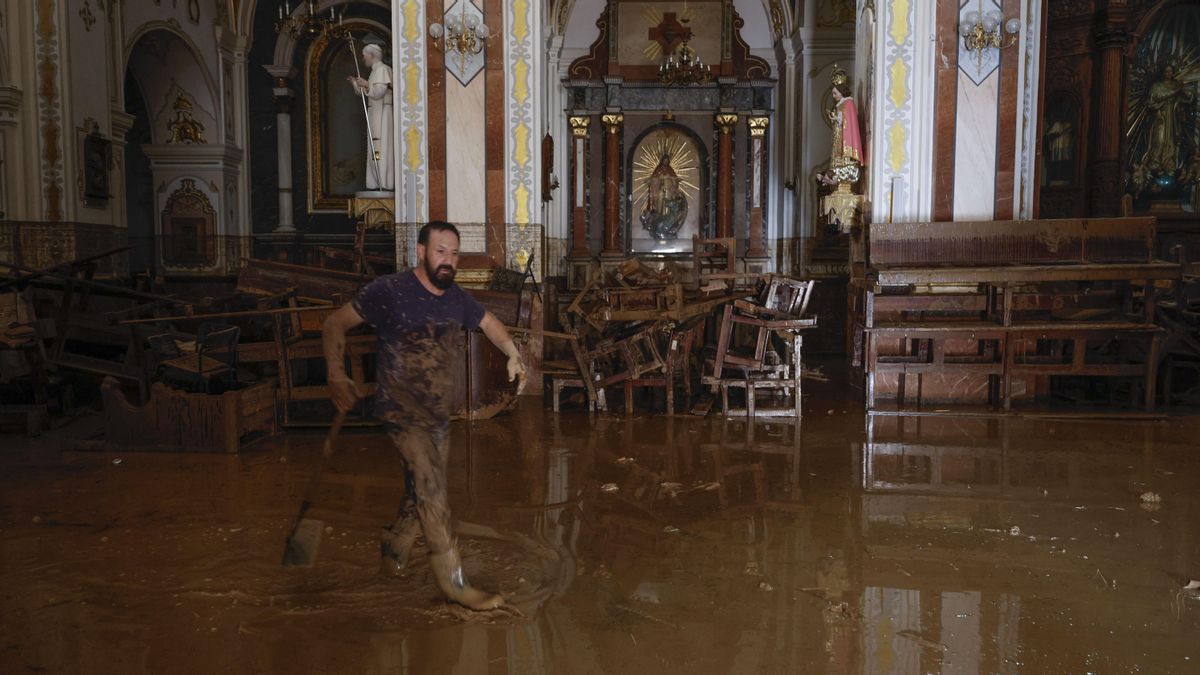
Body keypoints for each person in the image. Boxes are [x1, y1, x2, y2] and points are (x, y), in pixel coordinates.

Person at [322, 221, 525, 611]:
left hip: (437, 417)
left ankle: (394, 544)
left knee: (419, 494)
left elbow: (489, 323)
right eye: (440, 251)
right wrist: (335, 373)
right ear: (419, 252)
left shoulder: (456, 298)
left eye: (454, 253)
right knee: (433, 490)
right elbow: (335, 323)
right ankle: (455, 584)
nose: (448, 260)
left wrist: (512, 352)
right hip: (402, 411)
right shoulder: (390, 291)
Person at [347, 43, 394, 191]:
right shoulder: (375, 71)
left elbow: (379, 91)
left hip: (383, 114)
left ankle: (385, 182)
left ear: (372, 55)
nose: (363, 58)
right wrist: (357, 84)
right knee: (374, 149)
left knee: (381, 146)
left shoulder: (383, 70)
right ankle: (375, 181)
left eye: (364, 55)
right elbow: (366, 93)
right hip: (374, 113)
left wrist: (366, 84)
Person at [827, 67, 864, 185]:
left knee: (842, 157)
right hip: (838, 135)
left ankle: (843, 167)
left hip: (844, 137)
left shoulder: (848, 103)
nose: (833, 96)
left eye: (835, 93)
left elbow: (847, 121)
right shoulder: (841, 104)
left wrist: (836, 118)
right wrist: (834, 117)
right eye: (833, 93)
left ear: (841, 91)